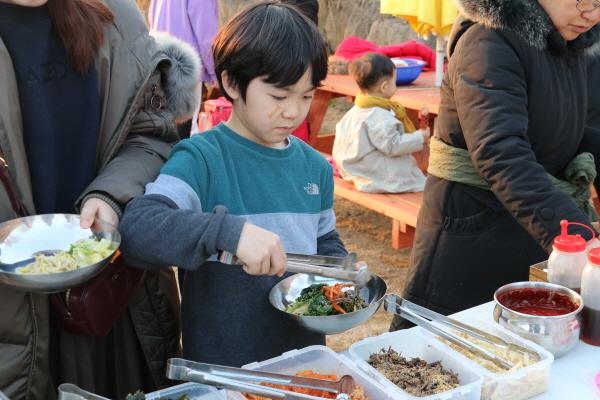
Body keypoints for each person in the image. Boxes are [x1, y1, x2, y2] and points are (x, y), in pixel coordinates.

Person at [118, 0, 350, 368]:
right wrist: (229, 232)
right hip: (223, 370)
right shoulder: (201, 159)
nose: (293, 111)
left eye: (306, 96)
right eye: (278, 95)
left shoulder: (314, 167)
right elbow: (138, 231)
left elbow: (323, 240)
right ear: (231, 82)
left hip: (304, 364)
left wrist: (341, 276)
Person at [0, 0, 201, 399]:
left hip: (115, 294)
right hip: (12, 315)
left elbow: (152, 134)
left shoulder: (116, 18)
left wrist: (111, 195)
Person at [391, 0, 600, 331]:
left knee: (526, 359)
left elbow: (592, 132)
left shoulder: (581, 43)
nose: (593, 13)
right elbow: (500, 150)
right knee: (444, 356)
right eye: (583, 0)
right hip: (473, 231)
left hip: (537, 226)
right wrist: (576, 236)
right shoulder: (489, 38)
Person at [332, 52, 429, 193]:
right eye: (394, 81)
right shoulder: (379, 117)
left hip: (353, 167)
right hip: (373, 175)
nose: (395, 85)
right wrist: (420, 137)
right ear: (384, 87)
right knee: (418, 180)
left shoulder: (358, 108)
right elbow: (392, 145)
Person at [148, 0, 219, 139]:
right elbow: (206, 34)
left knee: (161, 120)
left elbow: (152, 18)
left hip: (158, 57)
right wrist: (214, 71)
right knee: (188, 128)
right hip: (185, 66)